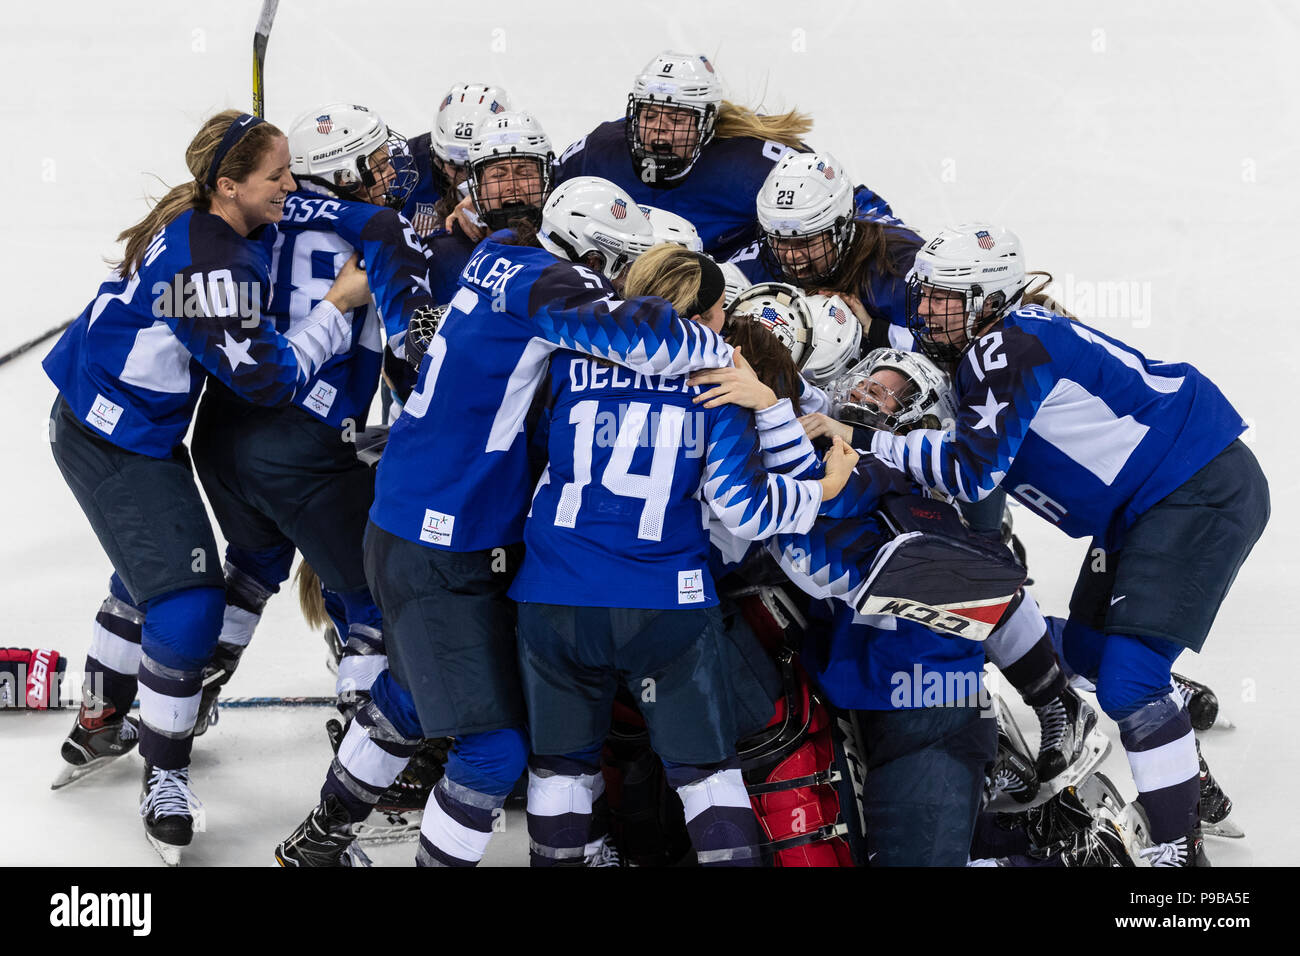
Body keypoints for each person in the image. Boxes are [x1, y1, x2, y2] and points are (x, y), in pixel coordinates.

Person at [275, 176, 735, 868]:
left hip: (432, 523)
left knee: (406, 689)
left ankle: (317, 843)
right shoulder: (547, 287)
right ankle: (331, 843)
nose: (621, 285)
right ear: (586, 252)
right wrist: (743, 363)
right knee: (494, 751)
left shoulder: (502, 255)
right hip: (439, 539)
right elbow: (654, 345)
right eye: (616, 266)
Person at [869, 222, 1270, 866]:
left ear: (991, 297)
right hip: (1149, 505)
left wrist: (864, 442)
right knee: (1083, 652)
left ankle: (1179, 852)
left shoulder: (1009, 345)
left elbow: (971, 471)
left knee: (1129, 682)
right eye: (925, 294)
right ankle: (1184, 773)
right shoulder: (994, 339)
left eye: (949, 297)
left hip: (1192, 489)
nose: (927, 310)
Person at [43, 110, 358, 864]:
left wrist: (274, 204)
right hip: (111, 438)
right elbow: (268, 378)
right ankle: (166, 774)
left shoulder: (205, 219)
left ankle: (98, 720)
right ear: (228, 186)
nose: (294, 184)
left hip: (109, 416)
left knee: (151, 566)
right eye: (278, 176)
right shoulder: (211, 271)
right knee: (187, 601)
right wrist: (338, 306)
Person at [510, 247, 859, 866]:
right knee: (707, 779)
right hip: (663, 603)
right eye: (723, 308)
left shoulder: (570, 355)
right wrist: (810, 465)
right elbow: (743, 511)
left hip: (553, 592)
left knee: (560, 773)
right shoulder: (716, 373)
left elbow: (530, 451)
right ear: (703, 315)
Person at [188, 103, 435, 744]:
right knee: (373, 604)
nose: (390, 171)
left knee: (253, 564)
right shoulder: (380, 225)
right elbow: (415, 351)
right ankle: (364, 759)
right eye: (375, 161)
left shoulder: (249, 209)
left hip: (218, 433)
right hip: (305, 446)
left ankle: (177, 701)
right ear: (344, 170)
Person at [545, 52, 892, 261]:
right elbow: (541, 194)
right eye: (649, 116)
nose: (658, 131)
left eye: (676, 119)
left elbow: (844, 202)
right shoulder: (602, 148)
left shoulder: (753, 164)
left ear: (706, 122)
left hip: (722, 302)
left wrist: (901, 247)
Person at [402, 83, 510, 238]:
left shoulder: (530, 167)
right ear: (437, 159)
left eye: (475, 168)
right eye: (456, 168)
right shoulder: (406, 163)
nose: (465, 178)